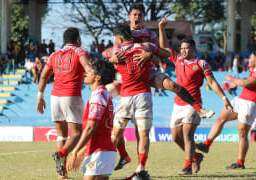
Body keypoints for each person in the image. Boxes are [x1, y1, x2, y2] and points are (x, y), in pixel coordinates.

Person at [102, 3, 196, 171]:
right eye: (134, 14)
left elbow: (162, 56)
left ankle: (140, 166)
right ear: (129, 17)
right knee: (102, 97)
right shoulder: (121, 35)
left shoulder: (149, 36)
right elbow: (112, 55)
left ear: (143, 18)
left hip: (146, 75)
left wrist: (150, 56)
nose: (137, 17)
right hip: (125, 79)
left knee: (170, 85)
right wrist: (111, 58)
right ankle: (122, 155)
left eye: (140, 15)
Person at [159, 16, 233, 175]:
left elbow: (212, 82)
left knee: (187, 133)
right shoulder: (177, 59)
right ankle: (195, 156)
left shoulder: (201, 63)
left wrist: (224, 97)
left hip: (193, 104)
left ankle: (187, 166)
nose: (183, 50)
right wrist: (161, 28)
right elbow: (164, 47)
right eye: (181, 48)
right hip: (177, 103)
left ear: (193, 49)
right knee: (175, 137)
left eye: (186, 48)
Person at [110, 23, 171, 179]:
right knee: (143, 134)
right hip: (143, 95)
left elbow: (107, 63)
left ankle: (105, 166)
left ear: (119, 38)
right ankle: (141, 168)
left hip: (125, 97)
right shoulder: (145, 46)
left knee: (116, 134)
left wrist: (111, 60)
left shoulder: (118, 54)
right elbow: (165, 56)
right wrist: (151, 56)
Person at [196, 51, 256, 169]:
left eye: (250, 58)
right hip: (240, 100)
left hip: (250, 104)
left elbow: (246, 83)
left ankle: (240, 163)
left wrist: (232, 79)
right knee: (221, 118)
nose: (248, 60)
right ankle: (206, 145)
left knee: (242, 132)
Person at [37, 27, 94, 179]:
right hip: (71, 96)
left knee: (61, 135)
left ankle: (61, 173)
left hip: (54, 97)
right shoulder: (79, 51)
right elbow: (87, 67)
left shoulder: (54, 54)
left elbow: (43, 76)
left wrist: (40, 97)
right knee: (77, 133)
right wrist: (96, 79)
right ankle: (61, 153)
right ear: (78, 40)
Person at [67, 60, 116, 180]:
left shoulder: (98, 96)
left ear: (97, 77)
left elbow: (91, 127)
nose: (85, 73)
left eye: (90, 71)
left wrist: (75, 151)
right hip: (103, 152)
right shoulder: (104, 94)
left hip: (99, 152)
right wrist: (82, 151)